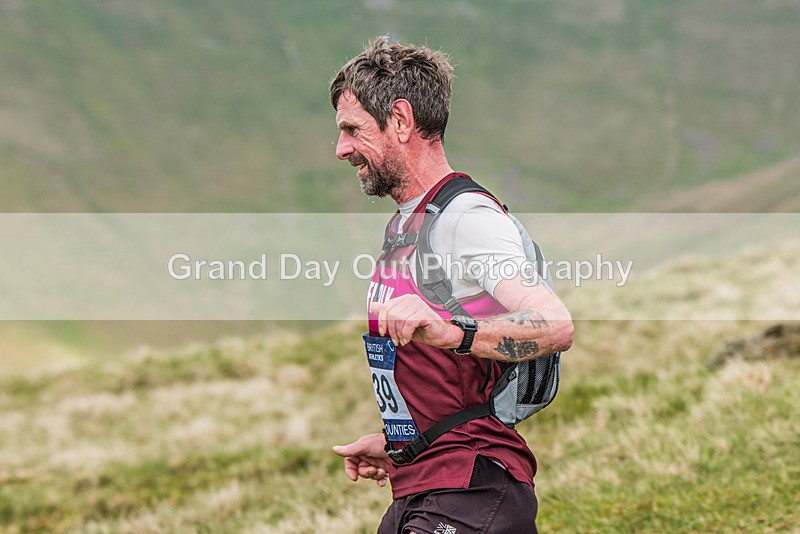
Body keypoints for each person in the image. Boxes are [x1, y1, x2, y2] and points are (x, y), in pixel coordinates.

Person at [330, 36, 574, 534]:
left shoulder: (467, 219)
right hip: (425, 481)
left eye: (352, 130)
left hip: (473, 486)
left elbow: (554, 323)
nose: (341, 149)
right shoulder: (410, 224)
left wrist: (453, 331)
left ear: (400, 120)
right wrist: (403, 439)